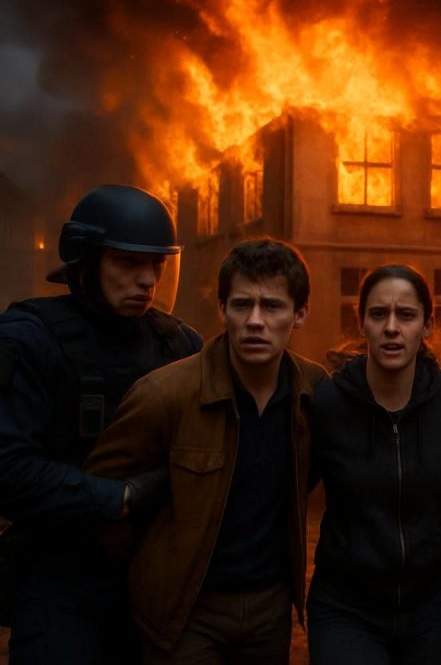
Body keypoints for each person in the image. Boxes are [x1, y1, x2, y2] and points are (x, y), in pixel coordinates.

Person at [85, 238, 326, 664]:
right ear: (222, 310)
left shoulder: (313, 390)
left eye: (272, 306)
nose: (255, 321)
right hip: (185, 612)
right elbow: (97, 496)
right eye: (242, 305)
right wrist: (153, 568)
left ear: (299, 315)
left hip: (269, 609)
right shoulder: (165, 394)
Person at [0, 184, 202, 663]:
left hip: (153, 580)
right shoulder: (28, 340)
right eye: (127, 262)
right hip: (59, 581)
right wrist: (122, 498)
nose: (147, 280)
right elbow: (8, 468)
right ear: (86, 261)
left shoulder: (179, 345)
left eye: (156, 264)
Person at [307, 264, 441, 665]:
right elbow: (291, 483)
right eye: (378, 314)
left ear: (427, 325)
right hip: (345, 607)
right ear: (361, 323)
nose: (391, 327)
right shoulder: (329, 403)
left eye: (406, 315)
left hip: (430, 608)